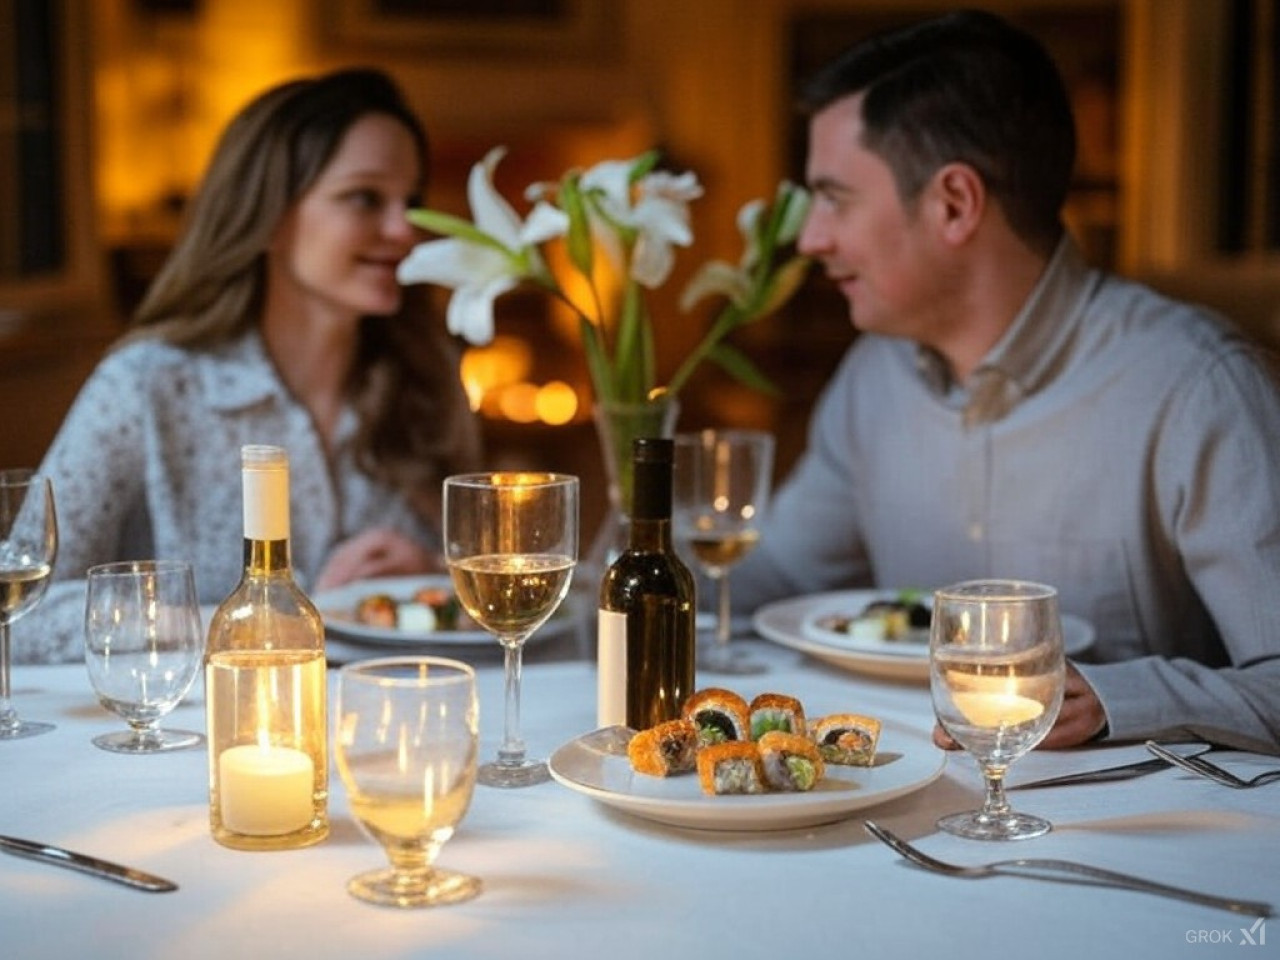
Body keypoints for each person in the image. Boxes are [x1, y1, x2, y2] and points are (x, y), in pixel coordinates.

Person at [733, 10, 1280, 754]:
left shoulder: (1196, 389)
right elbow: (771, 576)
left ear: (954, 204)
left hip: (1142, 842)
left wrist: (1116, 698)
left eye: (836, 198)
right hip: (908, 815)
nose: (811, 238)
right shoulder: (875, 378)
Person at [15, 68, 481, 664]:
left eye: (409, 200)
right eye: (365, 197)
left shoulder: (430, 380)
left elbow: (480, 604)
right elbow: (21, 615)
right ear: (269, 218)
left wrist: (431, 581)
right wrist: (278, 615)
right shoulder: (144, 388)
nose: (403, 229)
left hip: (397, 736)